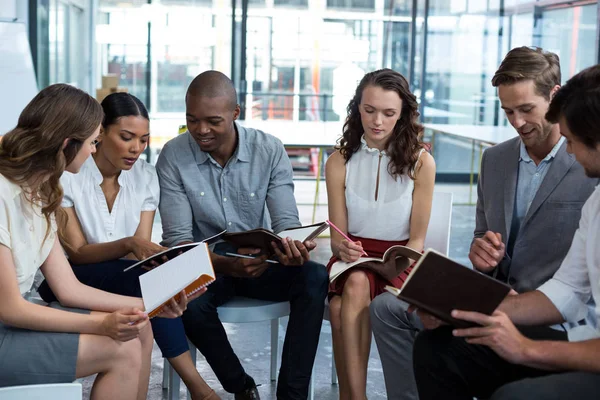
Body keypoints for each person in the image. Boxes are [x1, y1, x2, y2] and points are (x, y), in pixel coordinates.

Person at [369, 46, 598, 399]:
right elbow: (565, 287)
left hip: (563, 323)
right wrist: (464, 301)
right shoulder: (496, 160)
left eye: (526, 109)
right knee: (419, 333)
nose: (516, 121)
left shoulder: (588, 175)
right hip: (511, 297)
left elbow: (570, 296)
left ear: (554, 99)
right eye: (508, 111)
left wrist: (522, 345)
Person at [155, 70, 329, 400]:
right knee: (189, 304)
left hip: (263, 261)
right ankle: (240, 385)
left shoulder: (269, 150)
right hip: (207, 265)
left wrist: (292, 246)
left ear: (236, 113)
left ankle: (292, 395)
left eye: (212, 121)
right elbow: (178, 241)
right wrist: (223, 264)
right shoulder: (174, 156)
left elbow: (286, 223)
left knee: (315, 277)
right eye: (192, 120)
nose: (201, 130)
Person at [35, 92, 218, 400]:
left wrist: (160, 257)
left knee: (158, 280)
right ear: (100, 132)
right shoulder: (68, 173)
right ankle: (197, 385)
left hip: (125, 276)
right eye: (127, 137)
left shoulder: (146, 176)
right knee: (147, 286)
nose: (136, 148)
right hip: (70, 277)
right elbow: (78, 254)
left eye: (144, 140)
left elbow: (139, 252)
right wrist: (131, 244)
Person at [0, 83, 156, 399]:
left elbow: (69, 289)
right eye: (91, 142)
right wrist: (103, 326)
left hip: (16, 321)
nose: (94, 150)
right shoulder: (3, 193)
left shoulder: (40, 191)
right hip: (7, 328)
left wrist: (149, 306)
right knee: (121, 349)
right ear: (68, 144)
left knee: (138, 325)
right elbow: (11, 309)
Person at [324, 68, 435, 400]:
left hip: (401, 260)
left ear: (403, 115)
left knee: (339, 309)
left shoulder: (421, 162)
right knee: (356, 282)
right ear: (357, 107)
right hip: (353, 260)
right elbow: (336, 235)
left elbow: (416, 241)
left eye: (389, 113)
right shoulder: (338, 161)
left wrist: (394, 266)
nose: (377, 121)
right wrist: (343, 248)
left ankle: (351, 397)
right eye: (369, 110)